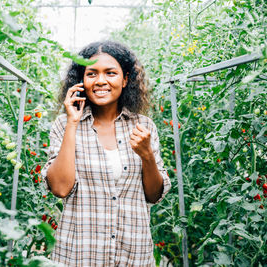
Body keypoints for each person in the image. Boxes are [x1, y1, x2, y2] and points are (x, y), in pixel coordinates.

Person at [41, 41, 171, 266]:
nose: (101, 81)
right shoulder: (64, 125)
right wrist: (73, 121)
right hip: (79, 254)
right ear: (82, 80)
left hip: (133, 253)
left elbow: (153, 195)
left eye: (110, 73)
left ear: (125, 79)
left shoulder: (143, 126)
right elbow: (60, 188)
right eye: (92, 73)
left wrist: (147, 155)